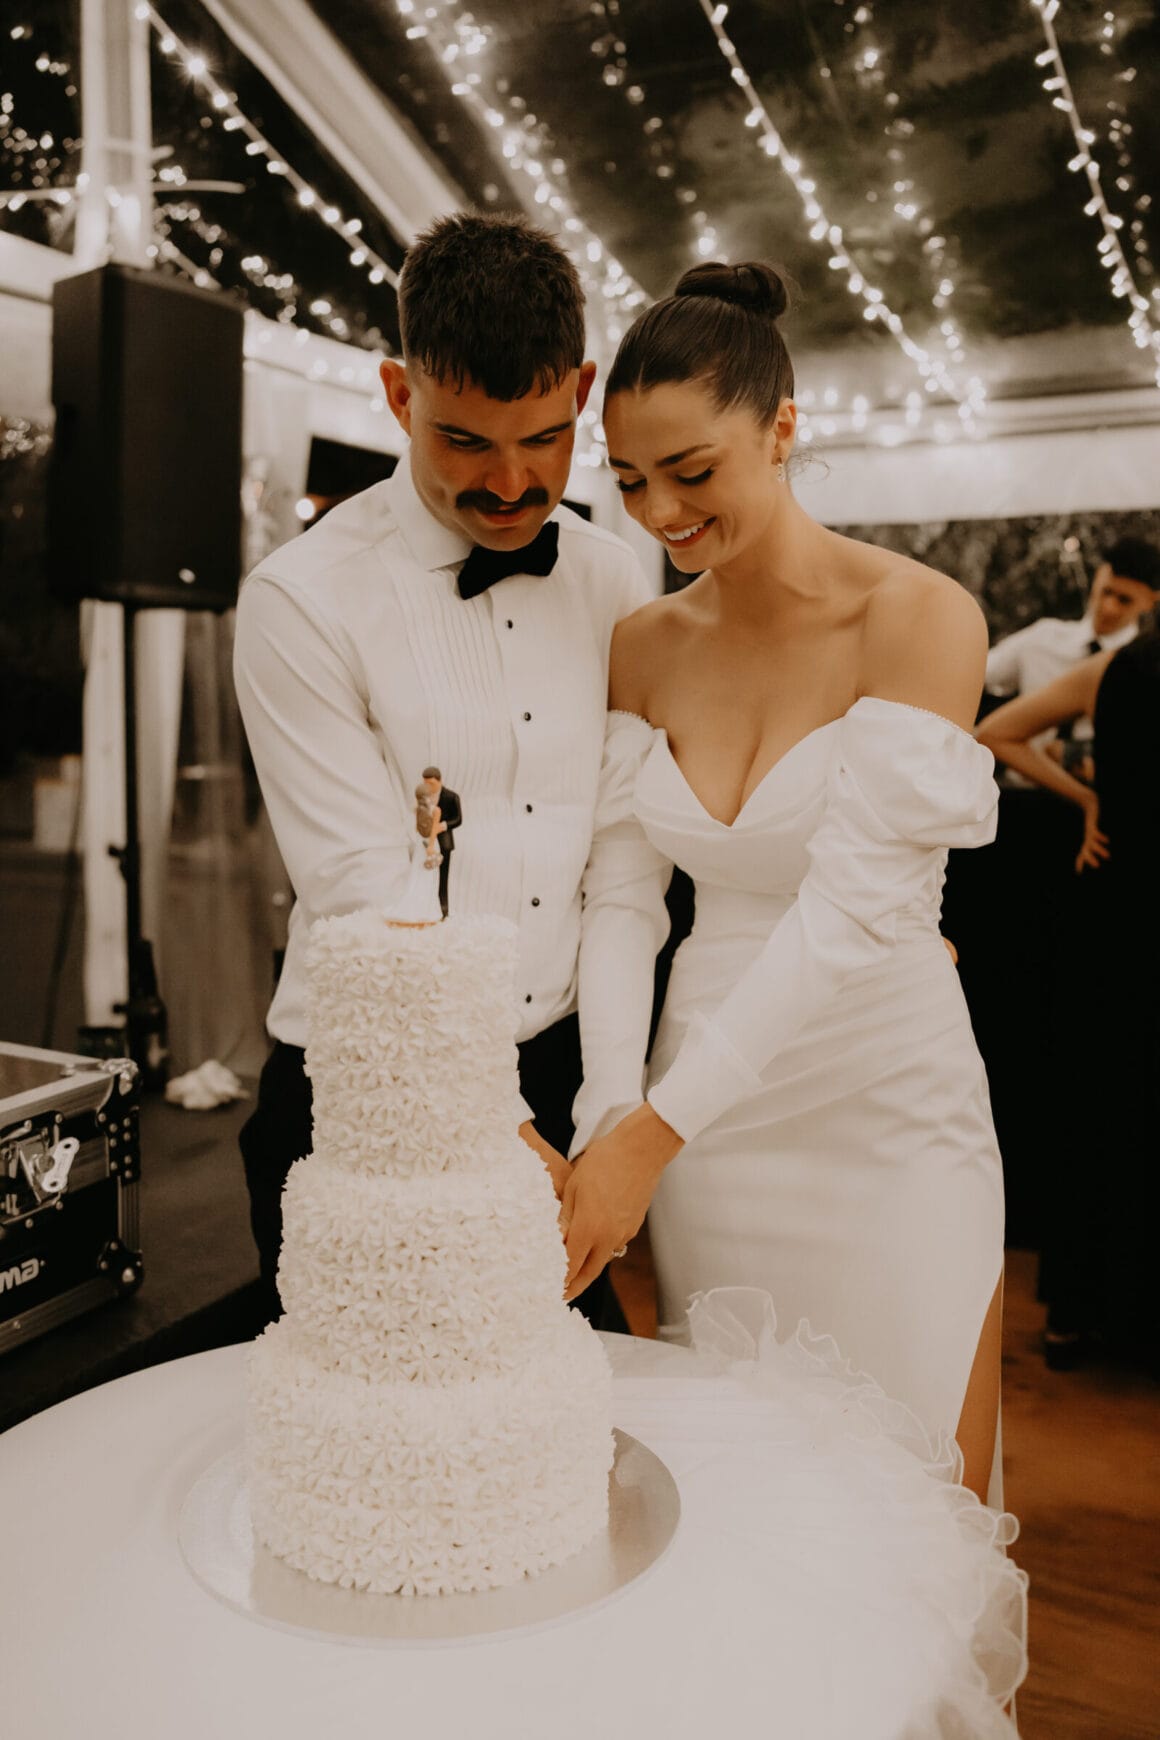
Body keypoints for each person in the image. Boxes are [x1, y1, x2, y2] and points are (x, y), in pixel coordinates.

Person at [559, 261, 1006, 1504]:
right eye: (629, 479)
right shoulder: (643, 645)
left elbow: (851, 911)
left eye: (689, 471)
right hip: (706, 1116)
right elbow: (622, 900)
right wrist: (612, 1108)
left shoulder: (917, 617)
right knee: (743, 1485)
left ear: (781, 429)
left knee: (912, 1489)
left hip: (882, 1096)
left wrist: (652, 1131)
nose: (658, 512)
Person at [234, 211, 665, 1332]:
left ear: (581, 393)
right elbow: (365, 892)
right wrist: (494, 1122)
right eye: (465, 441)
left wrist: (611, 1109)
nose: (513, 482)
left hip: (566, 1073)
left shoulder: (616, 582)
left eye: (544, 438)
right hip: (368, 1089)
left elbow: (624, 869)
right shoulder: (299, 599)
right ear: (398, 395)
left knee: (575, 1416)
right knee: (384, 1421)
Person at [977, 630, 1160, 1368]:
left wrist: (1090, 800)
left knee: (1101, 1107)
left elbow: (997, 732)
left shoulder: (1115, 669)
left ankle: (1075, 1314)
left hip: (1117, 910)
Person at [982, 535, 1160, 780]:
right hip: (1020, 790)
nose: (1108, 607)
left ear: (1151, 601)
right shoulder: (1042, 638)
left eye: (1124, 600)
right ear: (1098, 578)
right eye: (1106, 592)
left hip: (1102, 793)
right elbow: (975, 674)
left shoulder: (1145, 667)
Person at [419, 765, 460, 916]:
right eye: (425, 783)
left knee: (442, 877)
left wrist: (442, 826)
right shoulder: (424, 797)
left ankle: (443, 908)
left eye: (431, 783)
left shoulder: (451, 797)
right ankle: (425, 905)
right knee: (424, 875)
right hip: (425, 840)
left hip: (443, 842)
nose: (428, 787)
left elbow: (458, 819)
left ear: (439, 781)